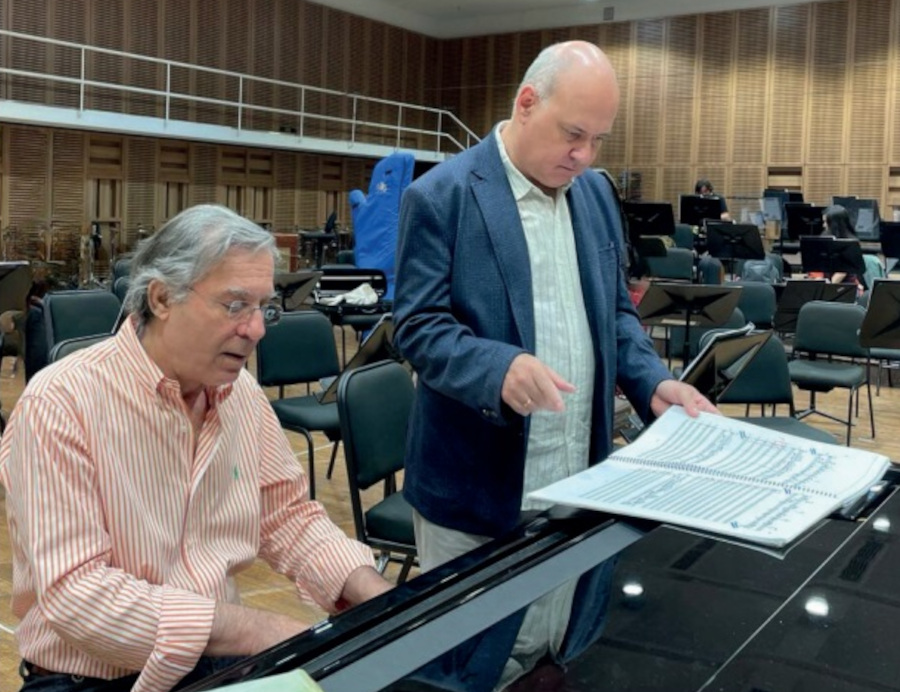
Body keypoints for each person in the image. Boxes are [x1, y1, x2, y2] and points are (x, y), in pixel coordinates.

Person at [393, 41, 716, 688]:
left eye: (599, 140)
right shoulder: (443, 195)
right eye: (575, 134)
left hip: (575, 479)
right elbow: (418, 329)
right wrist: (496, 368)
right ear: (526, 102)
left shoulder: (594, 196)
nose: (586, 156)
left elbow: (616, 318)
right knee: (467, 670)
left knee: (551, 656)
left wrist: (653, 384)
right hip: (475, 498)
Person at [0, 204, 392, 692]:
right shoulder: (61, 403)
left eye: (263, 307)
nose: (257, 330)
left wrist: (375, 595)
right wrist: (259, 630)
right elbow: (80, 599)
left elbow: (286, 516)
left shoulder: (240, 396)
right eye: (234, 306)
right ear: (162, 298)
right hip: (86, 678)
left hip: (213, 658)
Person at [819, 204, 861, 286]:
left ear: (834, 224)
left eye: (826, 222)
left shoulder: (851, 243)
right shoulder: (825, 237)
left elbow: (842, 272)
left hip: (846, 286)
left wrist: (827, 287)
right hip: (828, 282)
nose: (823, 225)